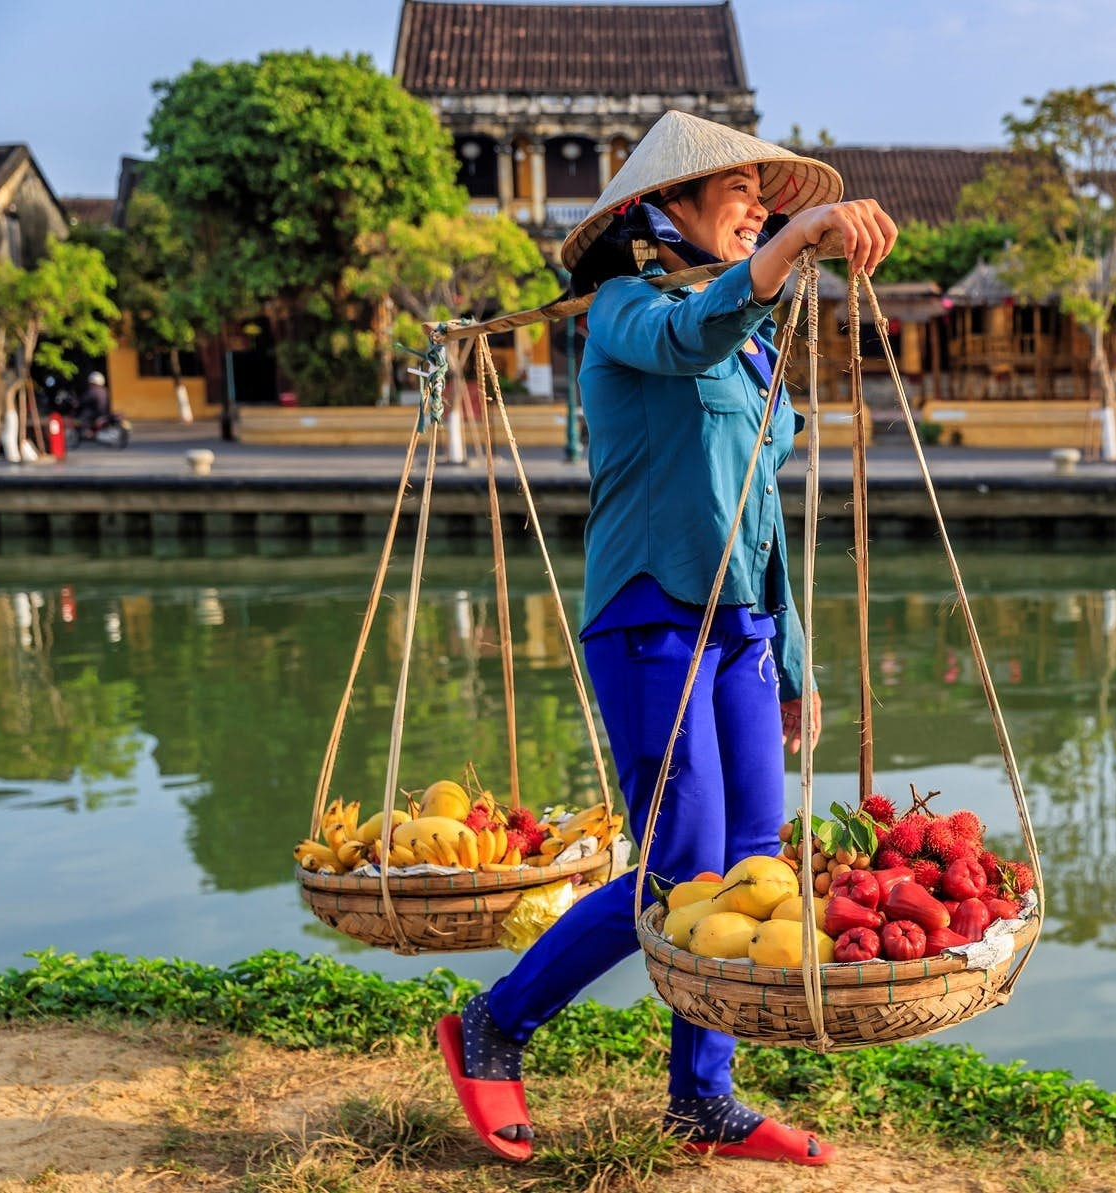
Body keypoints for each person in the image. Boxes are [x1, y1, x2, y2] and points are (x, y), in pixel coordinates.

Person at [435, 109, 896, 1168]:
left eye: (765, 197)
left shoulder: (751, 345)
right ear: (665, 208)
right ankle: (493, 1024)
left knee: (742, 870)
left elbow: (760, 510)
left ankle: (704, 1099)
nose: (760, 209)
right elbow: (688, 335)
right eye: (740, 192)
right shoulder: (624, 311)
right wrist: (792, 245)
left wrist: (791, 662)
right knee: (672, 871)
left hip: (738, 628)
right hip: (651, 617)